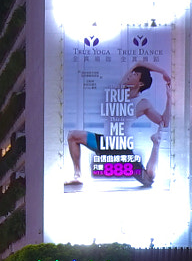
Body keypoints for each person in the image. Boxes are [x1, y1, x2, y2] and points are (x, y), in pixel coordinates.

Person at [65, 62, 171, 191]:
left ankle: (156, 143)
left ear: (140, 84)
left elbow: (164, 122)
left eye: (135, 75)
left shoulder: (143, 103)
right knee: (73, 136)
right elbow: (138, 63)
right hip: (105, 142)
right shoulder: (119, 91)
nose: (130, 75)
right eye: (132, 73)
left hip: (121, 148)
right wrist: (162, 72)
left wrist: (169, 98)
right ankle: (77, 176)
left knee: (148, 180)